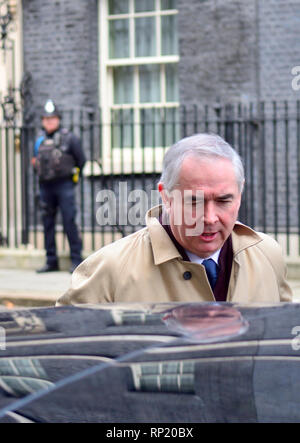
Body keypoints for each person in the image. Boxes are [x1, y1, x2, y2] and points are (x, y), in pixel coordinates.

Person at [56, 133, 292, 305]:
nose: (209, 218)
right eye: (193, 202)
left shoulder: (268, 255)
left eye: (223, 201)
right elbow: (66, 359)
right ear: (165, 197)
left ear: (239, 194)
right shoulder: (109, 271)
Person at [32, 100, 86, 274]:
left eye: (52, 118)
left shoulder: (69, 138)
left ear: (58, 119)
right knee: (47, 223)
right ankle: (51, 260)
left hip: (64, 185)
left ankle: (76, 259)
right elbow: (34, 161)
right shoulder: (39, 140)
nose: (49, 122)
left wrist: (73, 178)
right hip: (45, 186)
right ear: (42, 121)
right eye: (46, 119)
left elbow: (81, 160)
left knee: (69, 221)